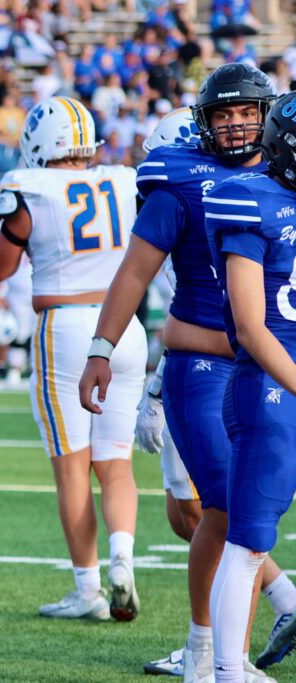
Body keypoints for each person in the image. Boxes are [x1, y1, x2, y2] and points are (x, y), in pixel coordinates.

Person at [77, 63, 285, 681]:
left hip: (269, 363)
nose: (238, 126)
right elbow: (135, 274)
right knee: (224, 506)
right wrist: (100, 348)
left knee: (251, 514)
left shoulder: (285, 175)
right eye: (224, 116)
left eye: (249, 113)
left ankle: (219, 651)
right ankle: (210, 653)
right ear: (204, 123)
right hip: (207, 367)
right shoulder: (179, 183)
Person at [0, 96, 145, 623]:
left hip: (67, 328)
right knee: (115, 463)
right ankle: (123, 558)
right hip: (126, 328)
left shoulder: (28, 186)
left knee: (73, 467)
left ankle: (88, 589)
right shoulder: (123, 179)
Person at [201, 89, 296, 683]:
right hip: (273, 386)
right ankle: (226, 673)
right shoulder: (248, 198)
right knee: (250, 543)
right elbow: (249, 325)